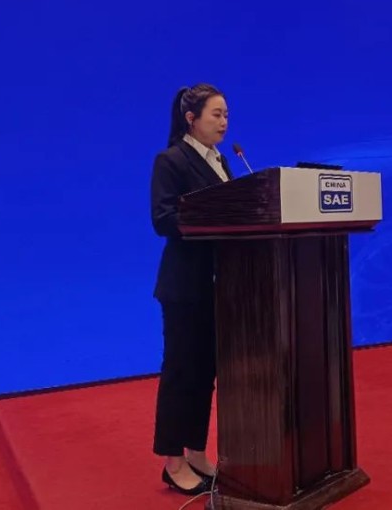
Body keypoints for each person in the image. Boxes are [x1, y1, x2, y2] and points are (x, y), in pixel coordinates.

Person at [150, 83, 232, 495]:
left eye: (226, 115)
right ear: (190, 118)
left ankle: (197, 452)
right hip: (184, 286)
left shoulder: (221, 160)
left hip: (219, 285)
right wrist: (212, 214)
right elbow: (163, 218)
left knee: (205, 374)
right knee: (181, 373)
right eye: (216, 114)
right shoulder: (171, 160)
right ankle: (173, 461)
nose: (224, 122)